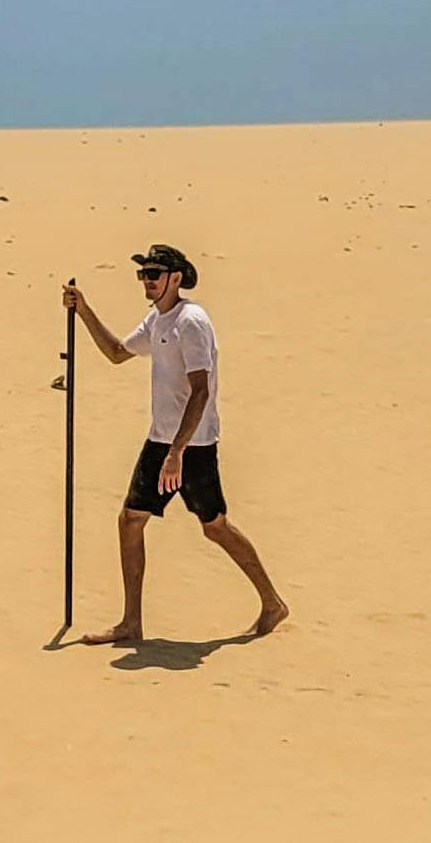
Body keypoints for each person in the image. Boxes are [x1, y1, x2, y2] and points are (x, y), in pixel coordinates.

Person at [61, 243, 288, 644]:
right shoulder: (157, 321)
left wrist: (177, 454)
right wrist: (83, 311)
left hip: (193, 445)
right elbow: (116, 353)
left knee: (214, 527)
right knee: (131, 519)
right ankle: (131, 622)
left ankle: (272, 604)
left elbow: (200, 392)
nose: (147, 281)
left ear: (176, 278)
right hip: (161, 440)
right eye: (143, 275)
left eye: (154, 274)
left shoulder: (192, 322)